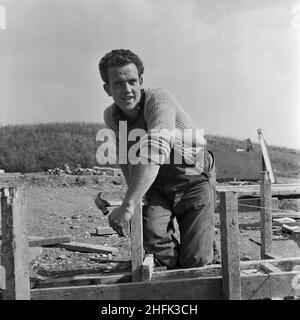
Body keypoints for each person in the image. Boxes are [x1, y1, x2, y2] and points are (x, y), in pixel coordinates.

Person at [98, 49, 218, 269]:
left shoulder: (159, 99)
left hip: (194, 178)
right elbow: (127, 158)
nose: (127, 90)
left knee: (196, 261)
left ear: (141, 81)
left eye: (132, 82)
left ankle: (203, 250)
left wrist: (127, 206)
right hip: (155, 183)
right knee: (153, 240)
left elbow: (156, 148)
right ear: (107, 89)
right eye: (118, 84)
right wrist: (135, 199)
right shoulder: (111, 116)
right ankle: (176, 279)